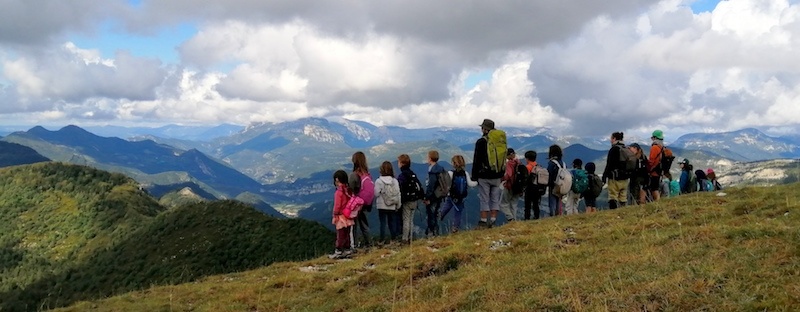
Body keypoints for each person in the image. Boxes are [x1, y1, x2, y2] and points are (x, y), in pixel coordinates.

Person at [472, 119, 504, 228]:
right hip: (497, 174)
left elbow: (477, 160)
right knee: (495, 199)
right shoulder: (499, 141)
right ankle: (493, 221)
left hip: (484, 175)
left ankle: (483, 221)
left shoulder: (481, 142)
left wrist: (474, 176)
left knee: (484, 199)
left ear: (485, 129)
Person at [439, 155, 478, 233]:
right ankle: (455, 228)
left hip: (451, 196)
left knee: (444, 209)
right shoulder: (465, 173)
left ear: (453, 163)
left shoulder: (450, 173)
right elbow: (470, 184)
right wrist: (478, 181)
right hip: (460, 198)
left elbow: (446, 185)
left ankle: (437, 220)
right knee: (458, 213)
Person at [349, 151, 374, 249]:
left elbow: (350, 190)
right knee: (364, 224)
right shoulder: (367, 174)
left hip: (356, 204)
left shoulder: (354, 175)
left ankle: (353, 245)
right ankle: (369, 243)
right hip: (365, 203)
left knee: (353, 225)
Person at [373, 161, 401, 245]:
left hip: (381, 205)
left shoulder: (378, 181)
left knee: (383, 223)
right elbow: (398, 193)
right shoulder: (395, 181)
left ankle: (382, 240)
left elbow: (376, 193)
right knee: (392, 222)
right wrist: (398, 205)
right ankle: (393, 239)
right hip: (392, 205)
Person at [330, 170, 355, 259]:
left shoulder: (338, 192)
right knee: (347, 233)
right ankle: (347, 249)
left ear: (337, 180)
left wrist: (335, 215)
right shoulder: (348, 190)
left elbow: (337, 206)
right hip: (348, 216)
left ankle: (339, 250)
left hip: (340, 217)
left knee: (340, 234)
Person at [397, 154, 420, 243]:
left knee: (406, 219)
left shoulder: (402, 176)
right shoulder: (412, 174)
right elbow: (418, 186)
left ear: (402, 163)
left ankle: (405, 239)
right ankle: (410, 237)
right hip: (414, 200)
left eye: (399, 162)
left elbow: (400, 189)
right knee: (411, 220)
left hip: (407, 201)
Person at [602, 132, 629, 209]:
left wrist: (604, 176)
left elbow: (609, 164)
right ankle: (623, 212)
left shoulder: (614, 149)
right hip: (625, 178)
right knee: (623, 197)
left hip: (614, 178)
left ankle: (613, 213)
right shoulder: (625, 149)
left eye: (611, 138)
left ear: (614, 138)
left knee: (613, 196)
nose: (610, 140)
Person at [423, 150, 446, 237]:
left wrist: (427, 197)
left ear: (430, 158)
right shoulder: (441, 168)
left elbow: (431, 185)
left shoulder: (433, 170)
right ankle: (436, 232)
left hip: (433, 196)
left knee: (431, 214)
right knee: (436, 213)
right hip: (439, 195)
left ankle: (432, 232)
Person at [499, 148, 522, 222]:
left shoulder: (509, 163)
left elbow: (508, 175)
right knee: (513, 204)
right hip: (518, 186)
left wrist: (502, 179)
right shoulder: (519, 162)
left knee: (503, 204)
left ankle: (510, 218)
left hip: (510, 186)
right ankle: (514, 220)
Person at [546, 144, 566, 217]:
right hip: (562, 185)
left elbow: (549, 173)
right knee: (559, 201)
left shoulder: (552, 163)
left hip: (553, 185)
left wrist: (548, 184)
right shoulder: (563, 163)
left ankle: (553, 216)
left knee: (552, 202)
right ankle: (558, 215)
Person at [523, 150, 543, 220]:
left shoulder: (527, 167)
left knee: (527, 205)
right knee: (536, 204)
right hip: (538, 187)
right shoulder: (538, 166)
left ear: (527, 158)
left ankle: (527, 218)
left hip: (530, 187)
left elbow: (525, 178)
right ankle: (536, 217)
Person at [647, 130, 666, 201]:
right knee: (656, 187)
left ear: (655, 137)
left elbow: (651, 160)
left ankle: (658, 202)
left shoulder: (655, 147)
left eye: (652, 137)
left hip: (654, 171)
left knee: (654, 188)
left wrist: (648, 168)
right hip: (659, 171)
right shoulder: (662, 147)